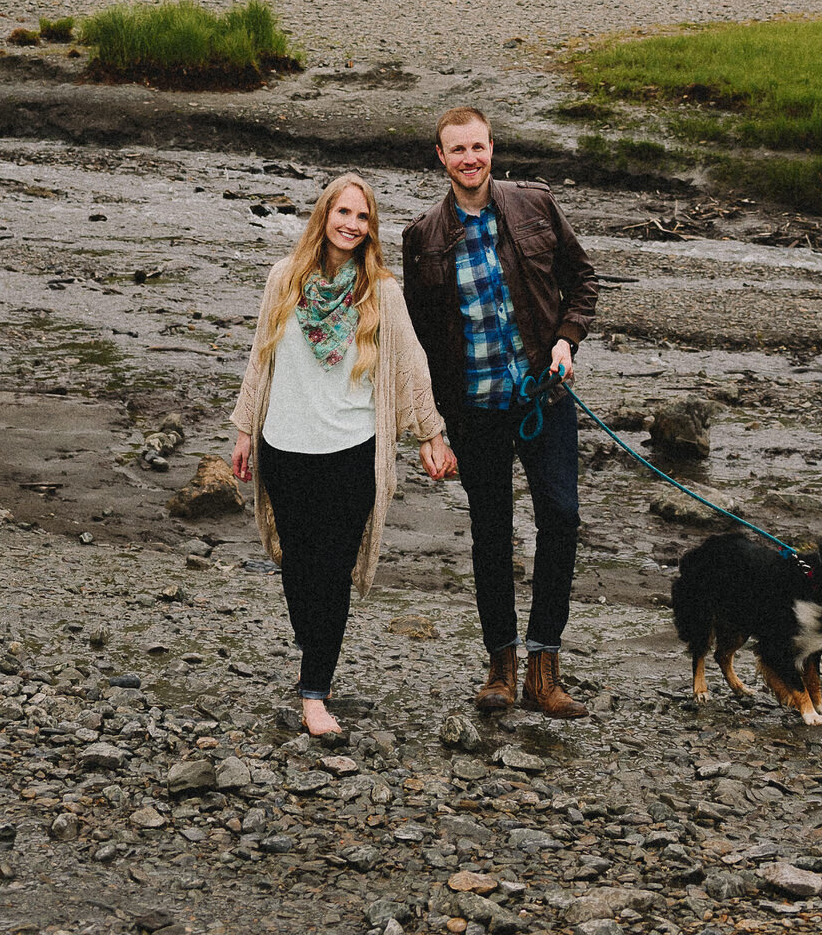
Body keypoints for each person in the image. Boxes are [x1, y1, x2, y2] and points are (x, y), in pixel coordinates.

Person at [231, 172, 456, 739]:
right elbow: (262, 360)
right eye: (344, 213)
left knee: (331, 574)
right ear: (323, 216)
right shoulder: (284, 279)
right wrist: (242, 431)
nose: (352, 225)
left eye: (363, 217)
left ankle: (313, 692)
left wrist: (432, 434)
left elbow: (409, 364)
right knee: (297, 567)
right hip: (284, 447)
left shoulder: (380, 290)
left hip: (352, 453)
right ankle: (318, 652)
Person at [402, 105, 598, 718]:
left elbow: (584, 280)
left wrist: (565, 339)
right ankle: (500, 669)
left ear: (492, 149)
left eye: (478, 148)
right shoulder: (422, 237)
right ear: (441, 157)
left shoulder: (534, 204)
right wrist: (431, 426)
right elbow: (419, 340)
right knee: (491, 534)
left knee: (561, 519)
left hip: (544, 396)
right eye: (457, 150)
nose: (470, 159)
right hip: (475, 411)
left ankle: (545, 668)